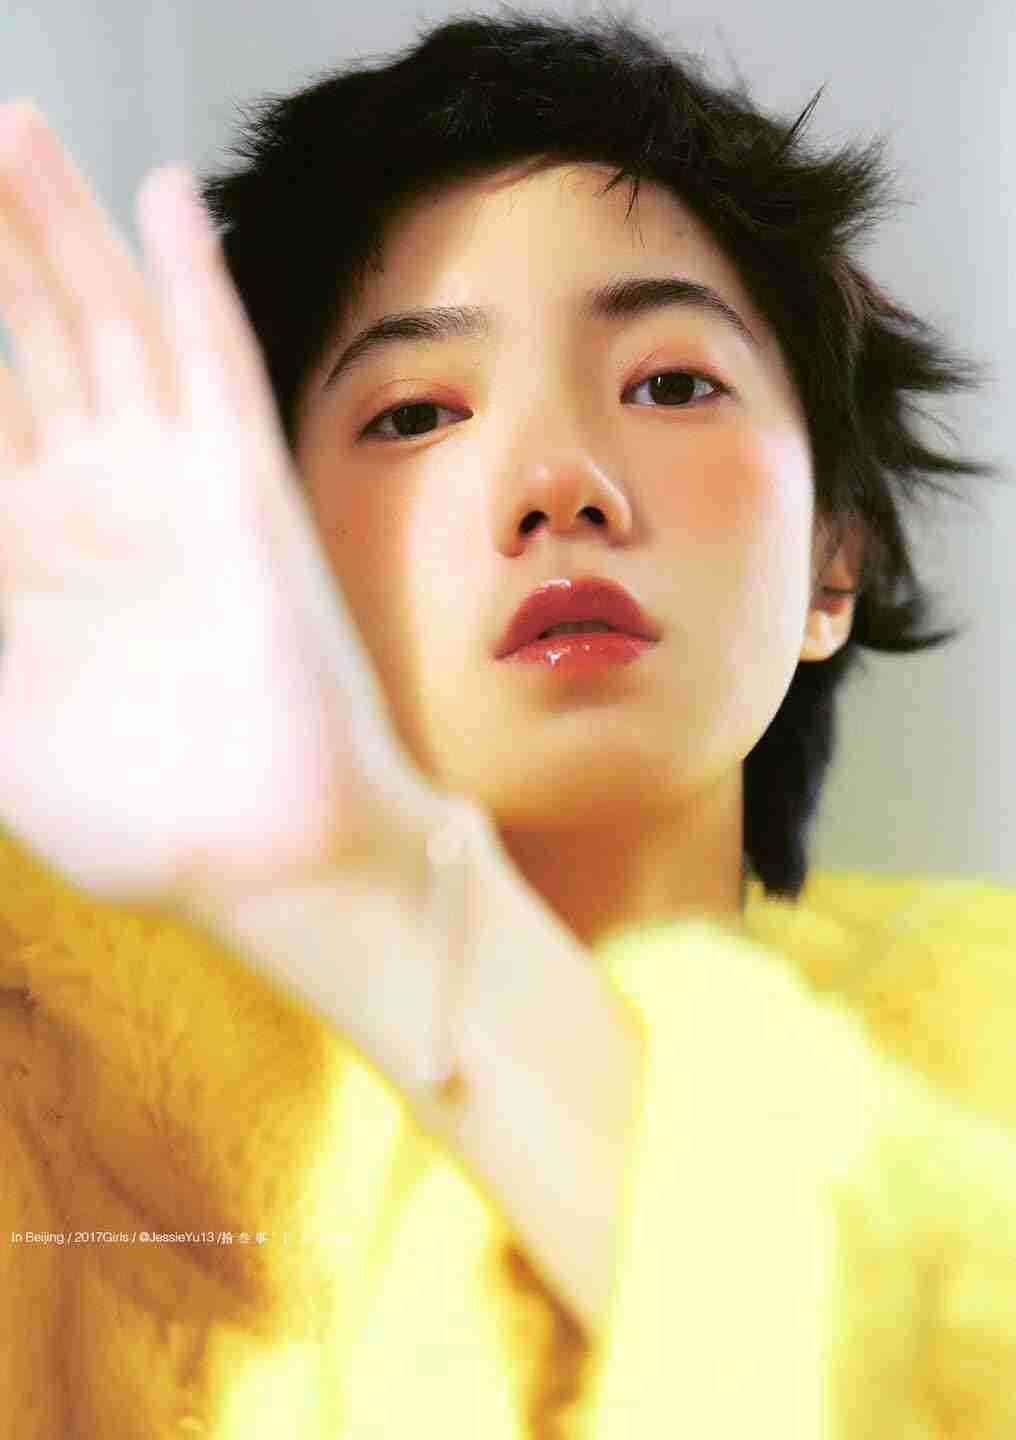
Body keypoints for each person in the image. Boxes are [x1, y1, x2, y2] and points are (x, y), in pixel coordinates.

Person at [0, 7, 1014, 1436]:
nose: (558, 481)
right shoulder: (51, 1079)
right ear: (269, 538)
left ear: (833, 562)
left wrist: (368, 896)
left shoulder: (987, 1042)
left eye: (672, 383)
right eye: (416, 413)